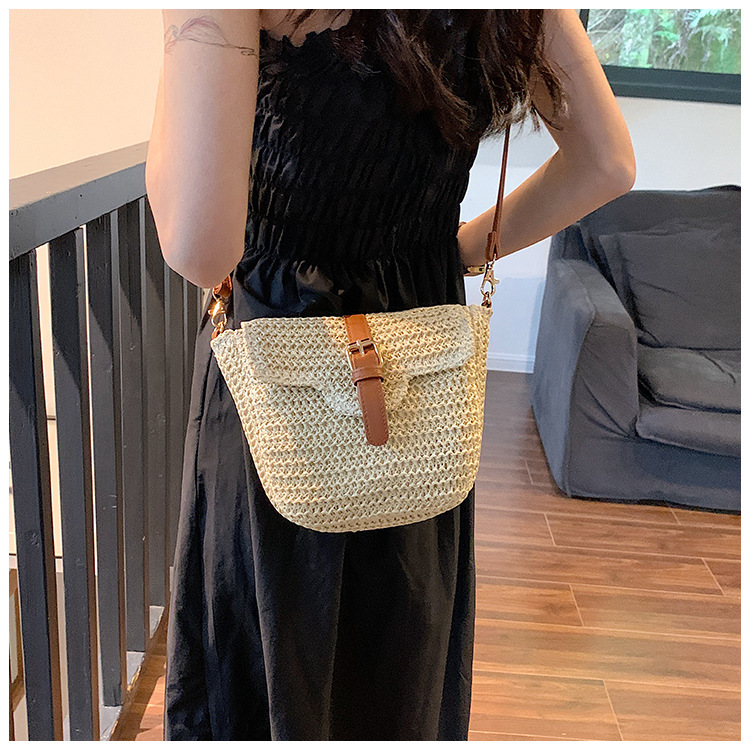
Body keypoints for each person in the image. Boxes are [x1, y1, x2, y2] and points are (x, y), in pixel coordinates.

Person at [145, 9, 635, 741]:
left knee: (267, 651)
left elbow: (199, 246)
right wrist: (455, 250)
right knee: (401, 651)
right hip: (420, 347)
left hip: (277, 356)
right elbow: (607, 163)